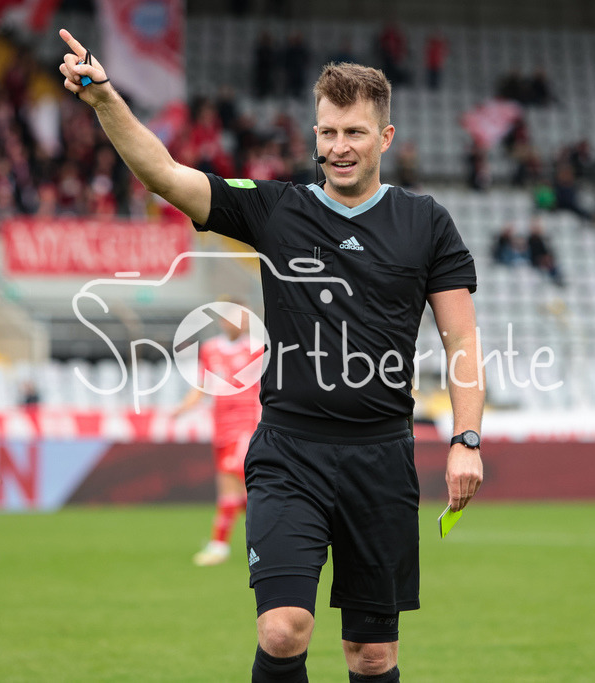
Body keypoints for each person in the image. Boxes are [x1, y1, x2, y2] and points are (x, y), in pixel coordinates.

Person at [59, 30, 484, 682]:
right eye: (328, 132)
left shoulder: (426, 223)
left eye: (355, 133)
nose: (339, 147)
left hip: (382, 459)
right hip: (291, 453)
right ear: (314, 134)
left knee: (371, 655)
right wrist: (106, 99)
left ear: (386, 138)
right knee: (284, 628)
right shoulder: (276, 209)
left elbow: (462, 342)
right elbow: (165, 175)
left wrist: (467, 437)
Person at [173, 299, 262, 566]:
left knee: (236, 478)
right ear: (223, 321)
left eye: (245, 318)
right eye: (236, 318)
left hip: (247, 424)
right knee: (235, 488)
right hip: (221, 424)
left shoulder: (258, 349)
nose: (242, 323)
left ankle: (223, 545)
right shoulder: (211, 349)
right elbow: (203, 385)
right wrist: (183, 408)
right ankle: (246, 540)